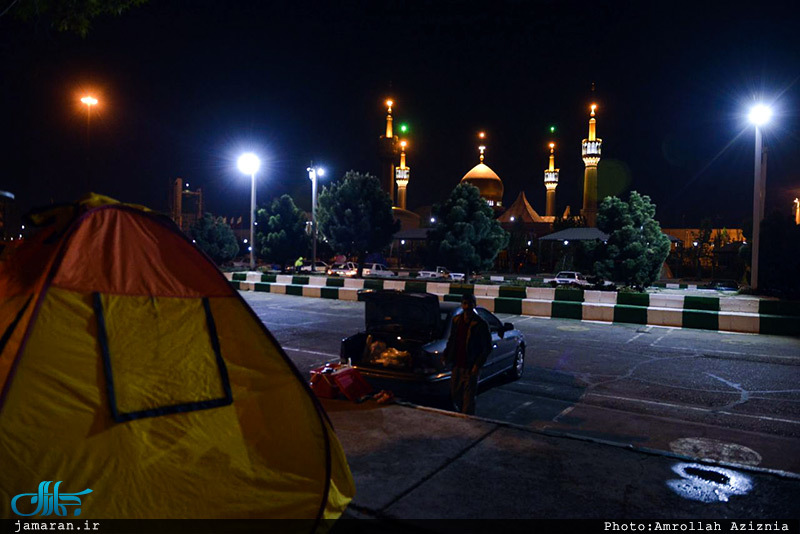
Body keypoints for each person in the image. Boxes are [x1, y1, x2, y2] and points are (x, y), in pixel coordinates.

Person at [442, 293, 492, 415]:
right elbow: (452, 340)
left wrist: (477, 365)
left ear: (474, 305)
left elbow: (486, 347)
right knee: (455, 395)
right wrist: (446, 355)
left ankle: (468, 422)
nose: (467, 306)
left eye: (470, 304)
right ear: (462, 305)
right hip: (457, 366)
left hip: (470, 368)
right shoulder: (457, 320)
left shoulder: (481, 324)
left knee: (468, 400)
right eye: (465, 303)